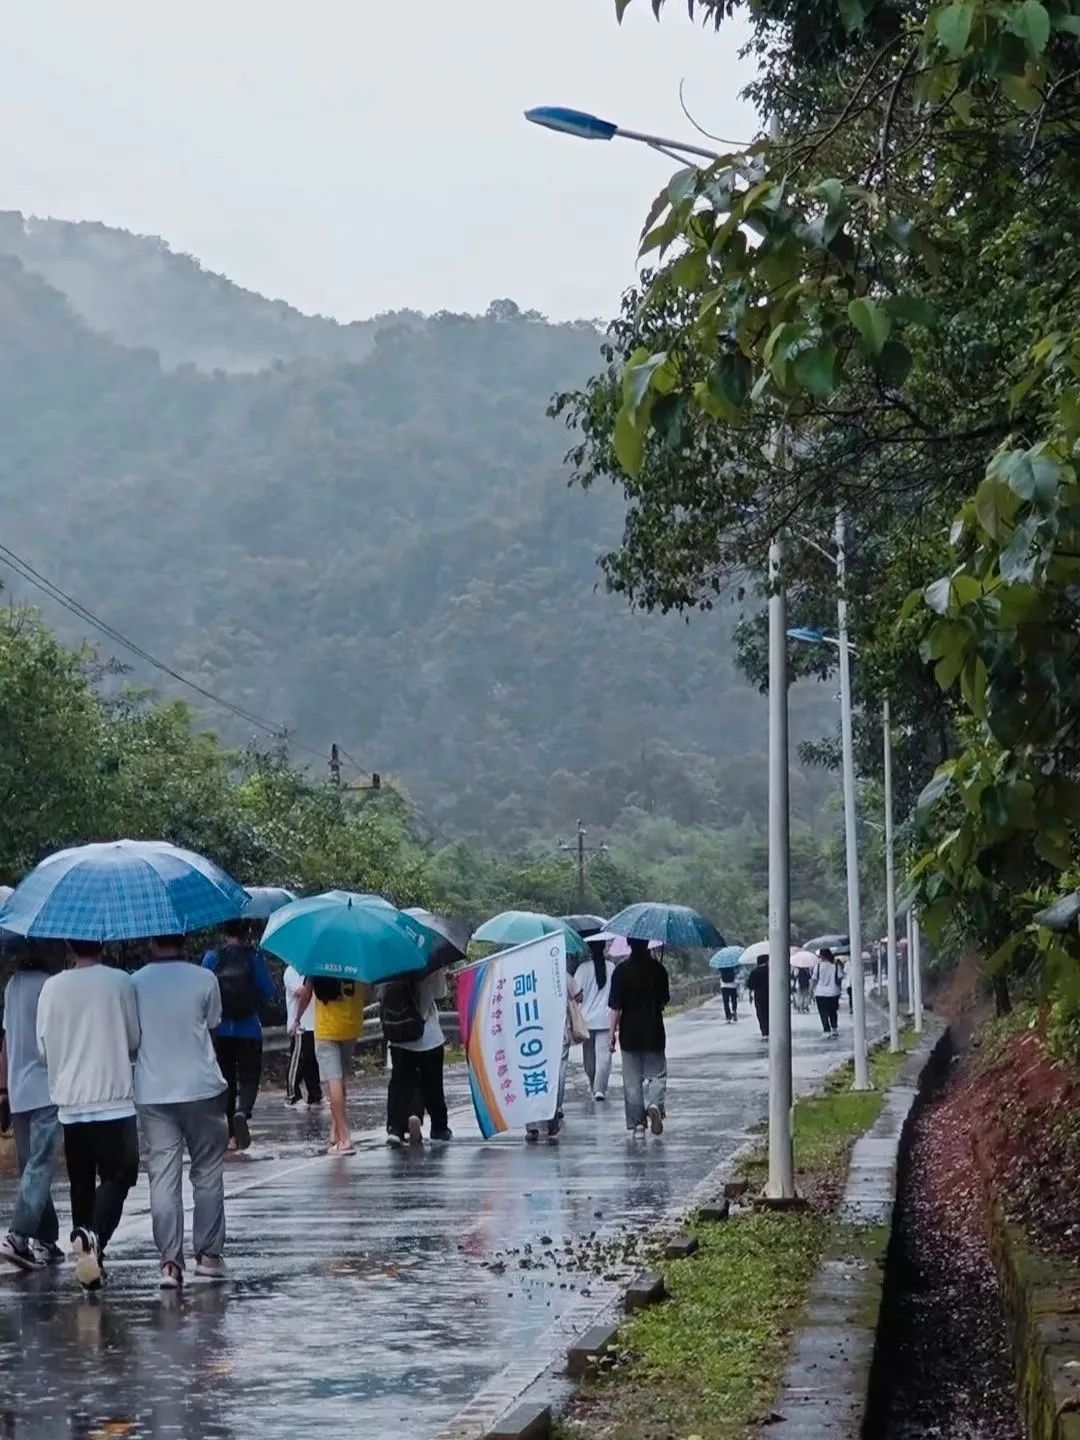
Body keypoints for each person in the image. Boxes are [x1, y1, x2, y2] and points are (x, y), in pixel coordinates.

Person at [36, 940, 141, 1291]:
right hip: (113, 1098)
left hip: (70, 1102)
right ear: (103, 944)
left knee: (82, 1187)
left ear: (68, 946)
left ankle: (90, 1256)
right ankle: (91, 1238)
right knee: (121, 1175)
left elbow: (42, 1047)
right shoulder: (120, 982)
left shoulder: (51, 987)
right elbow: (133, 1037)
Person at [131, 935, 230, 1289]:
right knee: (207, 1172)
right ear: (183, 938)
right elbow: (214, 1021)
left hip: (153, 1090)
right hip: (201, 1087)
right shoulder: (205, 978)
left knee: (162, 1176)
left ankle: (170, 1264)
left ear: (151, 940)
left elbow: (131, 1038)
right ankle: (208, 1255)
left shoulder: (134, 983)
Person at [0, 946, 65, 1271]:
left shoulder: (12, 987)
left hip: (18, 1089)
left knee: (32, 1167)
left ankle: (47, 1238)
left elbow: (7, 1040)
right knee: (40, 1165)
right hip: (46, 1088)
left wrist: (3, 1090)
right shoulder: (50, 987)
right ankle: (18, 1235)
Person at [201, 920, 276, 1151]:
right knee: (249, 1077)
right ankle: (243, 1111)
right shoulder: (253, 957)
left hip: (221, 1029)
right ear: (247, 933)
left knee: (226, 1080)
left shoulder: (212, 958)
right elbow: (270, 991)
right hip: (248, 1028)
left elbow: (203, 990)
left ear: (224, 932)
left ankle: (231, 1136)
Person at [608, 938, 669, 1137]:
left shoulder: (620, 971)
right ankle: (654, 1104)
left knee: (632, 1080)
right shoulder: (658, 970)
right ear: (647, 944)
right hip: (654, 1030)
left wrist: (611, 1033)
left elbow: (616, 1006)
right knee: (657, 1075)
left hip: (629, 1031)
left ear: (628, 944)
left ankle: (638, 1125)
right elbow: (663, 1000)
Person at [382, 969, 451, 1146]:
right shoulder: (428, 960)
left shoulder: (387, 962)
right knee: (432, 1084)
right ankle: (438, 1128)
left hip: (400, 1033)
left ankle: (396, 1129)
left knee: (400, 1083)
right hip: (428, 1036)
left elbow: (379, 993)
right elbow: (440, 992)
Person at [306, 976, 367, 1155]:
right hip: (350, 1025)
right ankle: (335, 1132)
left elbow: (308, 991)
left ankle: (345, 1137)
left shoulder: (319, 959)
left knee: (333, 1081)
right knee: (341, 1080)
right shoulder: (356, 955)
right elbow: (366, 991)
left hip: (327, 1028)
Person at [527, 964, 583, 1143]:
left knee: (532, 1071)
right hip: (558, 1032)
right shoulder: (560, 972)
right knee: (557, 1072)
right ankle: (553, 1113)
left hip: (532, 1034)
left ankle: (532, 1125)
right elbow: (579, 994)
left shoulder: (524, 973)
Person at [578, 940, 614, 1099]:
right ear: (604, 947)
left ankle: (593, 1084)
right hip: (605, 1019)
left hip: (586, 1020)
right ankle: (600, 1089)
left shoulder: (583, 969)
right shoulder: (611, 968)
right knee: (604, 1057)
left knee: (589, 1057)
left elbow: (576, 994)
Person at [283, 963, 322, 1108]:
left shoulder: (314, 970)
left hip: (315, 1023)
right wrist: (310, 982)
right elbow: (302, 992)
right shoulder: (291, 971)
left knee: (312, 1062)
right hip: (300, 1024)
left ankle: (315, 1095)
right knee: (298, 1060)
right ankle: (292, 1095)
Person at [813, 947, 843, 1037]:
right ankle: (834, 1028)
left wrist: (811, 990)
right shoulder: (836, 966)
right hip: (834, 992)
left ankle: (826, 1030)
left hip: (820, 993)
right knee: (833, 1011)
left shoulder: (817, 966)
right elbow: (840, 977)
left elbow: (814, 979)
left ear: (821, 956)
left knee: (823, 1012)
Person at [746, 954, 769, 1038]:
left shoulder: (754, 972)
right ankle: (771, 1029)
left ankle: (764, 1032)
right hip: (770, 994)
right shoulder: (771, 971)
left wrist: (750, 996)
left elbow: (750, 986)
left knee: (761, 1013)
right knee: (769, 1012)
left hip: (759, 995)